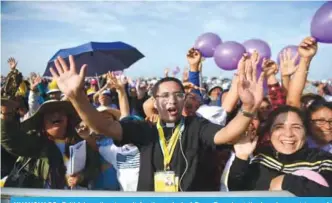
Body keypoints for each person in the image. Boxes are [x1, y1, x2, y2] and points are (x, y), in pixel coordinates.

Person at [50, 54, 265, 191]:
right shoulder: (144, 129)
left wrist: (248, 109)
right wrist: (77, 97)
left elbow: (227, 135)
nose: (171, 100)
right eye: (164, 96)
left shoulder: (197, 126)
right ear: (155, 101)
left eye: (178, 95)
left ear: (184, 99)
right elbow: (103, 126)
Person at [228, 105, 332, 196]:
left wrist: (287, 182)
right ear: (270, 133)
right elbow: (237, 190)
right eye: (279, 127)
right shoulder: (262, 157)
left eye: (296, 127)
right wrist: (241, 158)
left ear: (306, 132)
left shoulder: (322, 160)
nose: (288, 134)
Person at [1, 99, 100, 189]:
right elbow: (10, 141)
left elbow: (95, 166)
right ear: (42, 122)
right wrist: (6, 113)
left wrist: (81, 176)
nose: (56, 114)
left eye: (61, 112)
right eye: (50, 113)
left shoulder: (80, 142)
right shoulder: (35, 142)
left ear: (67, 119)